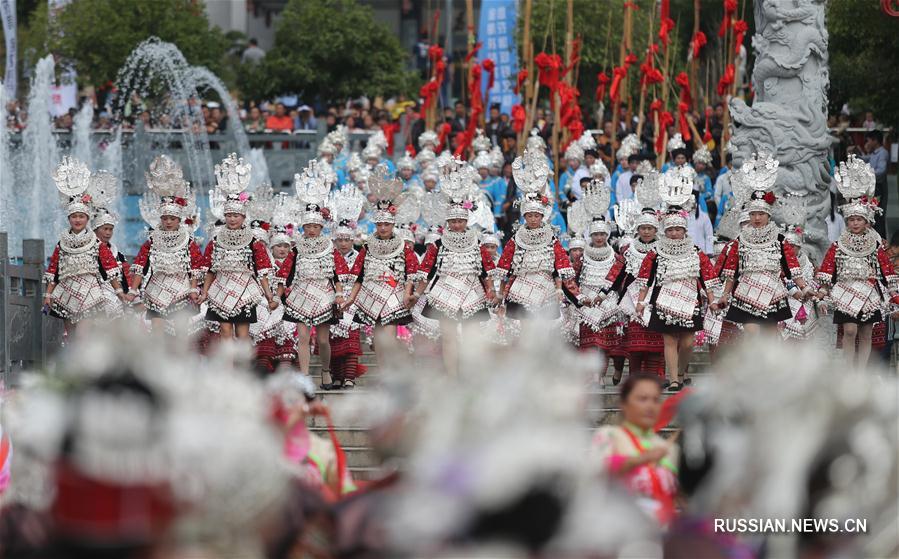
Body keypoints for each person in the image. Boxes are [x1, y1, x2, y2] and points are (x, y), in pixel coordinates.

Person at [816, 155, 899, 367]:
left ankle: (860, 373)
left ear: (866, 221)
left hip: (869, 291)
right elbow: (827, 270)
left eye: (859, 219)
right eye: (851, 219)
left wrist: (894, 294)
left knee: (865, 333)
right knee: (850, 330)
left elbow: (887, 270)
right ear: (847, 220)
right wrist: (823, 291)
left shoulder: (875, 243)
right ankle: (847, 370)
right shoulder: (839, 244)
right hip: (845, 291)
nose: (854, 223)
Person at [416, 169, 498, 375]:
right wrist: (417, 293)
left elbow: (486, 272)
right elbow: (427, 271)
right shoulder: (437, 244)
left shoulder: (477, 243)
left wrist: (492, 292)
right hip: (445, 292)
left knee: (471, 339)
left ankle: (470, 375)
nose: (457, 225)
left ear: (466, 221)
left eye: (460, 221)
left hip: (473, 294)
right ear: (447, 222)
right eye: (453, 221)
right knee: (449, 337)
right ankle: (452, 376)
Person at [495, 149, 587, 319]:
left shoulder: (550, 237)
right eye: (529, 216)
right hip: (521, 284)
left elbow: (560, 264)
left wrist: (562, 289)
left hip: (545, 284)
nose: (533, 219)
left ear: (541, 216)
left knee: (543, 326)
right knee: (522, 324)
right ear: (524, 217)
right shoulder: (518, 238)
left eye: (536, 216)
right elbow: (505, 264)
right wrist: (500, 293)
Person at [635, 204, 719, 392]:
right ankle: (673, 379)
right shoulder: (656, 252)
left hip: (690, 300)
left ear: (684, 230)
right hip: (664, 300)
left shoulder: (695, 251)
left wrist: (712, 300)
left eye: (678, 229)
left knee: (688, 343)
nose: (674, 233)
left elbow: (707, 277)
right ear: (665, 231)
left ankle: (681, 372)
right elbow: (645, 278)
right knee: (670, 341)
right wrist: (641, 302)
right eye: (670, 229)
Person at [345, 165, 421, 370]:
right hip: (371, 293)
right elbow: (358, 274)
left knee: (389, 336)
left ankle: (392, 371)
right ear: (376, 225)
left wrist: (407, 294)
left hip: (394, 294)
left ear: (393, 225)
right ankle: (383, 372)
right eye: (380, 225)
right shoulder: (367, 246)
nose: (383, 228)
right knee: (378, 338)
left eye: (387, 225)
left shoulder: (403, 246)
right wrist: (351, 298)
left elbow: (411, 273)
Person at [200, 154, 279, 340]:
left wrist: (269, 296)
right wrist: (204, 292)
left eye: (236, 215)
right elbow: (210, 269)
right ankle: (228, 369)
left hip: (245, 290)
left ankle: (242, 368)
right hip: (220, 289)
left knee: (242, 334)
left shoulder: (253, 241)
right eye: (229, 215)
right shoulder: (216, 240)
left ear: (243, 217)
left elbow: (262, 271)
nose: (232, 219)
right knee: (225, 332)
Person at [277, 191, 351, 389]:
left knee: (322, 339)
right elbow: (286, 274)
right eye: (308, 226)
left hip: (324, 295)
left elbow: (338, 274)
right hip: (301, 295)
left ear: (321, 227)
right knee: (302, 338)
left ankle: (325, 371)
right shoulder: (296, 248)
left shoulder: (330, 247)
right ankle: (304, 377)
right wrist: (277, 295)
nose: (311, 229)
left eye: (315, 226)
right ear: (303, 227)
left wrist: (339, 294)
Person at [43, 157, 126, 332]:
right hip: (66, 291)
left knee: (83, 335)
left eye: (81, 216)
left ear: (87, 219)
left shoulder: (95, 242)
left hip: (90, 291)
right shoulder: (62, 242)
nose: (77, 220)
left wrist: (120, 293)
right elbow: (53, 270)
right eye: (74, 216)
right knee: (71, 336)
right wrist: (48, 294)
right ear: (69, 219)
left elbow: (109, 267)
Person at [717, 181, 809, 333]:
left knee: (769, 338)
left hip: (772, 293)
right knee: (751, 334)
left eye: (761, 214)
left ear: (768, 215)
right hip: (746, 292)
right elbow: (731, 272)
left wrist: (804, 288)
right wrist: (725, 295)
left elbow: (792, 267)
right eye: (753, 214)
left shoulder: (779, 240)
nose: (757, 218)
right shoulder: (740, 241)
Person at [591, 373, 678, 526]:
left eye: (656, 400)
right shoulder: (609, 435)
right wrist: (641, 459)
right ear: (624, 403)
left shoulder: (668, 449)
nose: (650, 406)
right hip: (617, 530)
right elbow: (597, 472)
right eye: (642, 399)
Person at [130, 156, 205, 331]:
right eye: (165, 218)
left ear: (179, 219)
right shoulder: (152, 240)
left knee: (180, 331)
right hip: (157, 289)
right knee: (157, 331)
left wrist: (194, 289)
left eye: (172, 218)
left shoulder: (187, 240)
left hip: (181, 289)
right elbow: (140, 265)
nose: (168, 222)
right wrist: (133, 290)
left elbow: (195, 266)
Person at [855, 130, 888, 237]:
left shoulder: (882, 153)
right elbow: (866, 159)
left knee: (877, 214)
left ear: (875, 141)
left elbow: (881, 171)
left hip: (878, 188)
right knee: (871, 213)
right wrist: (855, 156)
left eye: (869, 141)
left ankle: (880, 241)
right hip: (872, 188)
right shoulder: (875, 153)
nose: (867, 143)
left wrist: (867, 173)